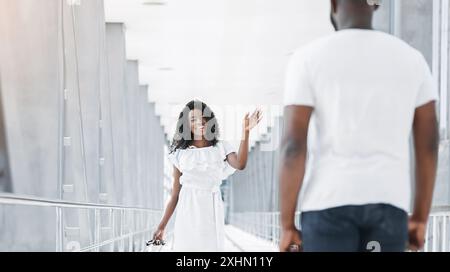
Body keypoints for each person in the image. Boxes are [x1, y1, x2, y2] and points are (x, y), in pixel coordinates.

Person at [279, 0, 439, 252]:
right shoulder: (412, 60)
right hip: (388, 205)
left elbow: (292, 146)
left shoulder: (307, 59)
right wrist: (419, 217)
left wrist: (287, 224)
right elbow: (429, 144)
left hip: (327, 205)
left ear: (333, 4)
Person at [152, 100, 262, 251]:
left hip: (211, 207)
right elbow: (175, 194)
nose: (200, 122)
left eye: (204, 117)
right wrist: (162, 226)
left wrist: (246, 131)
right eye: (193, 119)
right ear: (186, 125)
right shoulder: (179, 154)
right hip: (188, 208)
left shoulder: (221, 147)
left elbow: (240, 164)